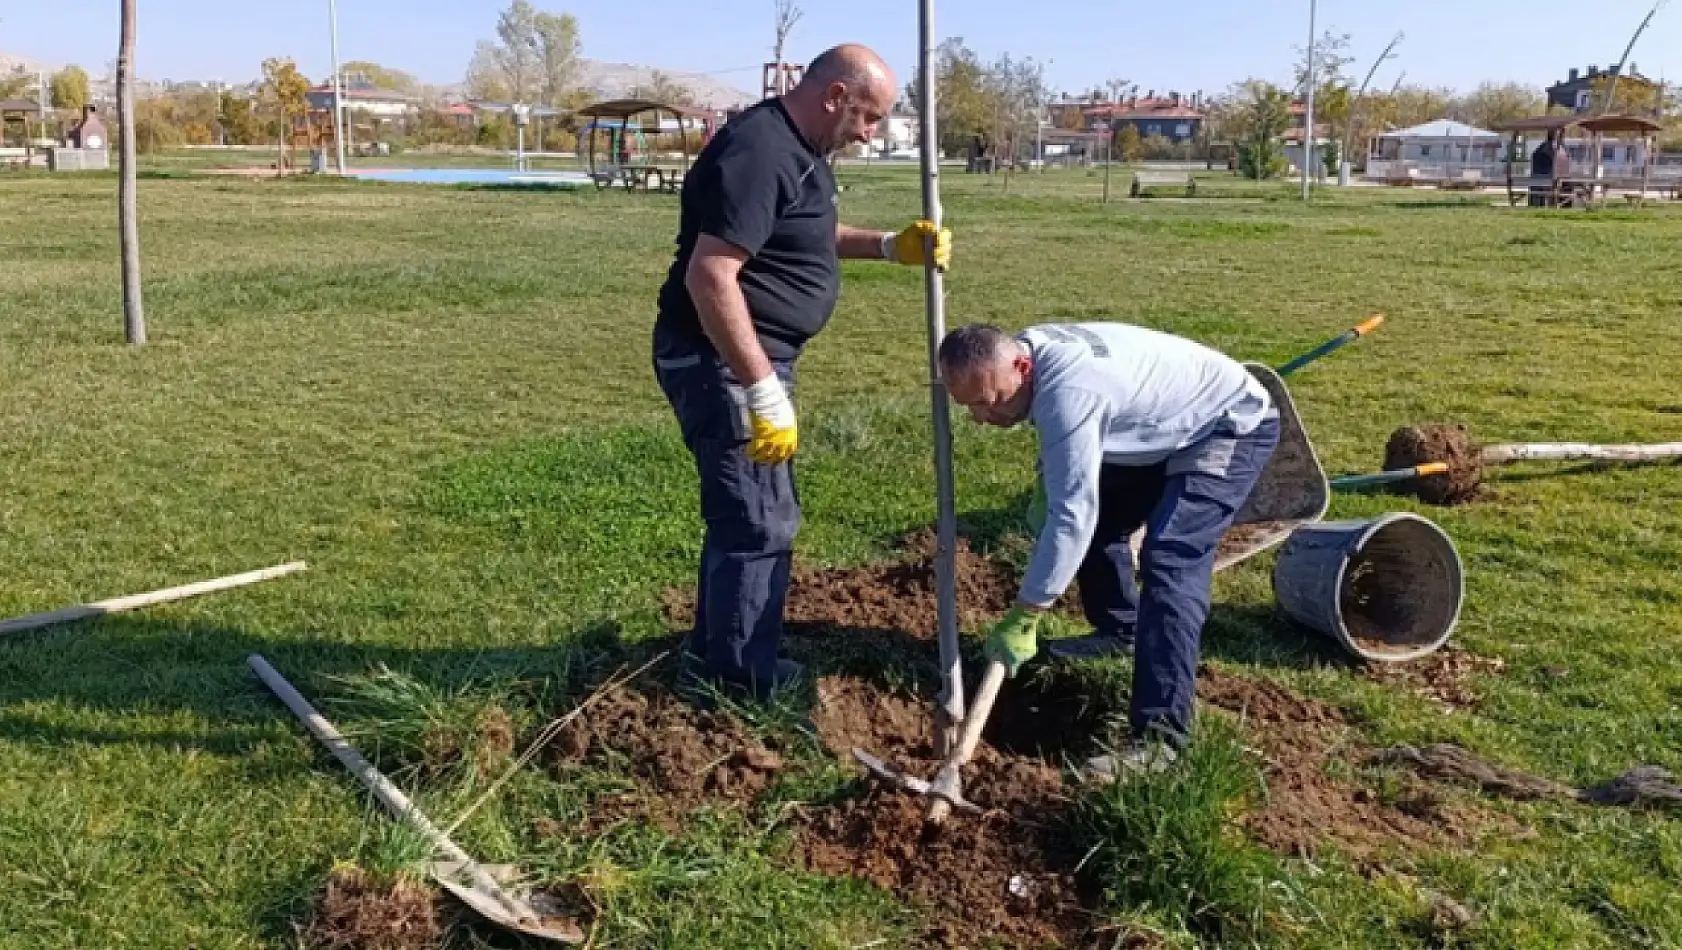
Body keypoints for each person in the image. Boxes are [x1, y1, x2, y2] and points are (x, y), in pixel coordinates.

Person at [653, 44, 953, 702]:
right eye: (867, 117)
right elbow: (711, 276)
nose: (870, 134)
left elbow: (801, 230)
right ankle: (737, 680)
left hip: (745, 357)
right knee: (759, 520)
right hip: (720, 360)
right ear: (835, 96)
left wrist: (887, 246)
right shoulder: (761, 151)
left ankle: (714, 652)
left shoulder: (798, 150)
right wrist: (760, 389)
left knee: (748, 514)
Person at [937, 322, 1279, 780]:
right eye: (969, 406)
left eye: (987, 400)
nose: (982, 416)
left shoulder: (1069, 390)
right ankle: (1123, 631)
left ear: (1020, 366)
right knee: (1095, 521)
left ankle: (1162, 740)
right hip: (1157, 425)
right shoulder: (1029, 357)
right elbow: (1075, 470)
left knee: (1171, 558)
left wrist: (1027, 614)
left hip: (1226, 424)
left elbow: (1071, 515)